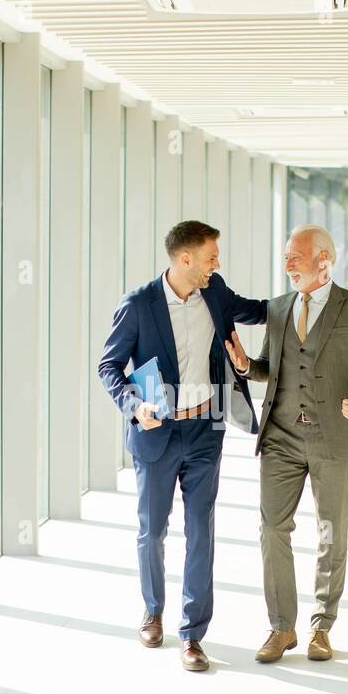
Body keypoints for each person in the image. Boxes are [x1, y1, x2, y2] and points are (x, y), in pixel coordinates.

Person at [98, 220, 268, 671]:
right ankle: (153, 610)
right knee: (152, 530)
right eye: (212, 256)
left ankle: (192, 634)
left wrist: (309, 293)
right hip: (156, 431)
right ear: (185, 259)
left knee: (201, 531)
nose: (218, 264)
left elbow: (259, 310)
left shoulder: (214, 292)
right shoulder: (139, 304)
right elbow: (109, 365)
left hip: (205, 430)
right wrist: (134, 405)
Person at [224, 224, 348, 663]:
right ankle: (281, 627)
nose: (287, 265)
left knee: (330, 533)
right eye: (285, 257)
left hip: (334, 437)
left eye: (294, 257)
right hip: (279, 435)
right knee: (272, 529)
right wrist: (246, 366)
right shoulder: (278, 310)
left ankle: (321, 626)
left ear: (323, 261)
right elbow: (270, 367)